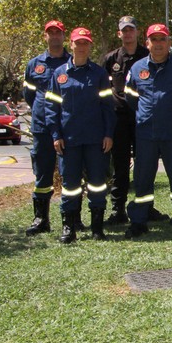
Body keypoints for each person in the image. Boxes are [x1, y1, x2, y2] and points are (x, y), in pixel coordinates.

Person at [124, 23, 172, 238]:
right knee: (142, 180)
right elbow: (130, 98)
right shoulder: (137, 68)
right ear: (147, 43)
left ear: (169, 43)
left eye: (162, 39)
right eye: (154, 39)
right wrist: (146, 114)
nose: (158, 44)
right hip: (146, 134)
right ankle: (139, 222)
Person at [45, 28, 116, 243]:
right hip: (69, 141)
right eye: (78, 43)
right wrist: (56, 135)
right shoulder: (59, 74)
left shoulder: (99, 74)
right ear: (72, 44)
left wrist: (108, 134)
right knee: (70, 186)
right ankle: (69, 228)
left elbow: (107, 107)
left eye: (86, 43)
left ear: (90, 46)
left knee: (97, 184)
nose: (82, 47)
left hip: (95, 140)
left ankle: (97, 227)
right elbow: (51, 108)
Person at [100, 16, 168, 224]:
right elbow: (101, 91)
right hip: (119, 120)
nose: (128, 33)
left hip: (143, 119)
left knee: (145, 165)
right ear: (119, 34)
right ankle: (117, 210)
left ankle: (145, 207)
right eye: (124, 30)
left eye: (131, 30)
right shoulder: (110, 60)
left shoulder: (147, 55)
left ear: (138, 33)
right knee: (120, 166)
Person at [22, 20, 72, 236]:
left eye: (58, 32)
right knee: (42, 175)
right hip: (42, 128)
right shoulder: (34, 65)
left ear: (64, 36)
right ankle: (41, 218)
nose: (54, 36)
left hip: (67, 127)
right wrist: (43, 112)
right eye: (50, 33)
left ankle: (72, 219)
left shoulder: (72, 62)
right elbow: (30, 96)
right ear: (45, 36)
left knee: (70, 174)